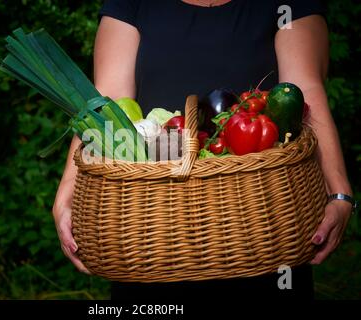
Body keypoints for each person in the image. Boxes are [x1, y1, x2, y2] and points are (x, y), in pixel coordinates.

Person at [52, 0, 354, 300]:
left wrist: (339, 193)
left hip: (262, 220)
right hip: (151, 226)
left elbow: (304, 91)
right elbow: (108, 101)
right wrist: (68, 190)